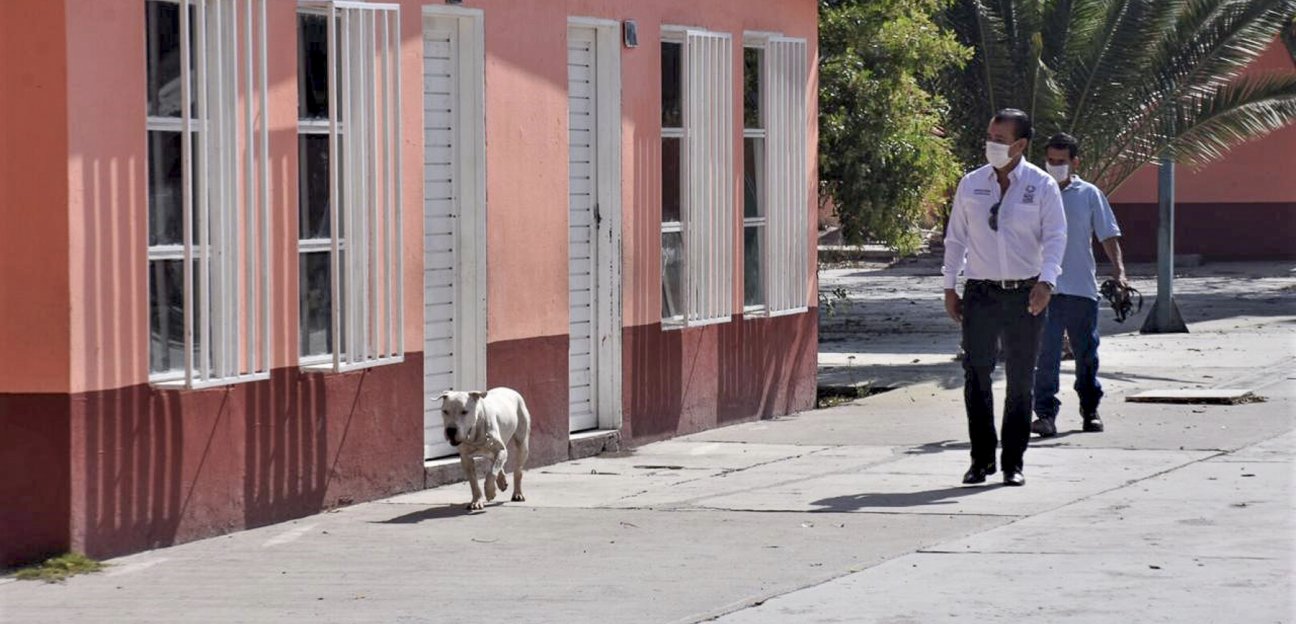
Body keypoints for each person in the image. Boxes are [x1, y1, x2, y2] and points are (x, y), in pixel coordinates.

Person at [942, 109, 1067, 487]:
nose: (991, 144)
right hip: (980, 292)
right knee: (976, 373)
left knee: (1020, 379)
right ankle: (981, 460)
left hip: (1025, 293)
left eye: (999, 139)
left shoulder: (1041, 185)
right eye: (989, 136)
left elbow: (1056, 237)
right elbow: (955, 238)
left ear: (1020, 144)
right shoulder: (971, 184)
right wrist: (950, 286)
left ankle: (1013, 462)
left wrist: (1046, 282)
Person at [1030, 133, 1127, 437]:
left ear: (1075, 162)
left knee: (1086, 353)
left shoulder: (1089, 194)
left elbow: (1108, 235)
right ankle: (1045, 414)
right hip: (1043, 289)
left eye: (1061, 161)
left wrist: (1119, 273)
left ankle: (1090, 409)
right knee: (1045, 355)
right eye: (1050, 161)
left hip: (1081, 288)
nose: (1054, 166)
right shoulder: (1034, 192)